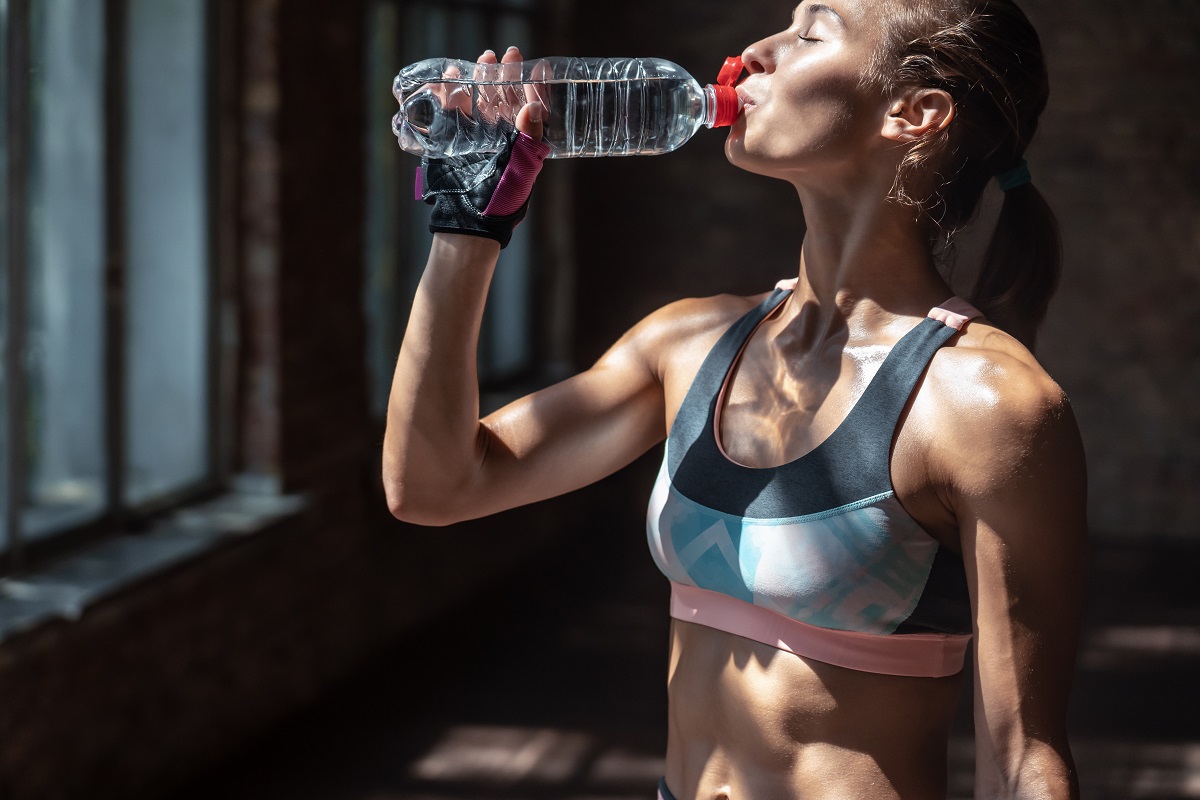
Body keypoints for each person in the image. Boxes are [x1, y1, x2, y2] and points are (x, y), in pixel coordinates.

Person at [383, 0, 1088, 797]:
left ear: (914, 113)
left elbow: (1025, 760)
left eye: (810, 33)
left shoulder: (986, 404)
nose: (755, 50)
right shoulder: (687, 344)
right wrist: (465, 230)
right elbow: (434, 487)